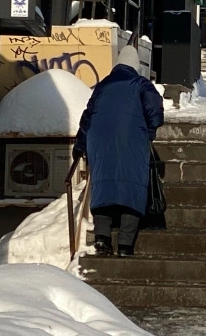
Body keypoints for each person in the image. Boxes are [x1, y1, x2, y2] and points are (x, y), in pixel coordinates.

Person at [73, 46, 164, 257]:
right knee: (132, 188)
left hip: (100, 142)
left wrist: (80, 145)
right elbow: (155, 109)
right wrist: (149, 130)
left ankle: (102, 240)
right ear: (135, 66)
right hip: (132, 141)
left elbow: (88, 116)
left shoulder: (103, 85)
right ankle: (125, 245)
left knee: (103, 188)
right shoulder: (140, 84)